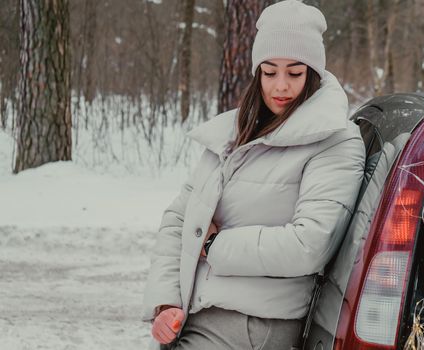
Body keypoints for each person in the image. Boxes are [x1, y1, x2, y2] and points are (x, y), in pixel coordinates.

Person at [142, 1, 365, 349]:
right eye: (269, 71)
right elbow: (179, 219)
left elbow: (309, 245)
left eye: (294, 73)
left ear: (313, 73)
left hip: (255, 325)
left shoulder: (334, 140)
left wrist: (214, 245)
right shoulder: (235, 132)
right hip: (195, 313)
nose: (280, 86)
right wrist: (165, 302)